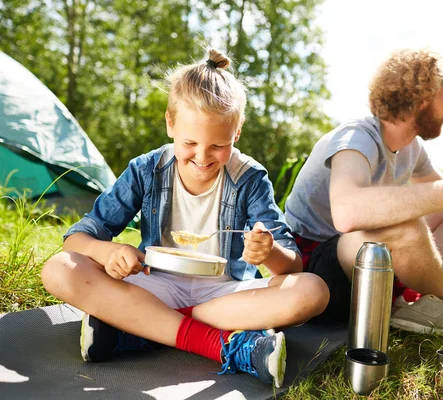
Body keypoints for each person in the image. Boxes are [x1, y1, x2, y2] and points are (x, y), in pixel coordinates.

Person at [40, 48, 329, 388]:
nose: (203, 157)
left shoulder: (250, 177)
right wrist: (108, 253)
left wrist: (269, 253)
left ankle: (136, 329)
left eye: (219, 145)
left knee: (313, 291)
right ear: (170, 123)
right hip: (154, 286)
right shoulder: (146, 170)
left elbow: (291, 267)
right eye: (190, 142)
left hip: (225, 295)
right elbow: (78, 237)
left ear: (237, 133)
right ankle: (226, 345)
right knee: (59, 268)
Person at [284, 48, 443, 343]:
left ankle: (415, 303)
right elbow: (347, 213)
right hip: (315, 270)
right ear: (421, 102)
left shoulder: (411, 148)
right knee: (404, 226)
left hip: (363, 261)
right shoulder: (355, 138)